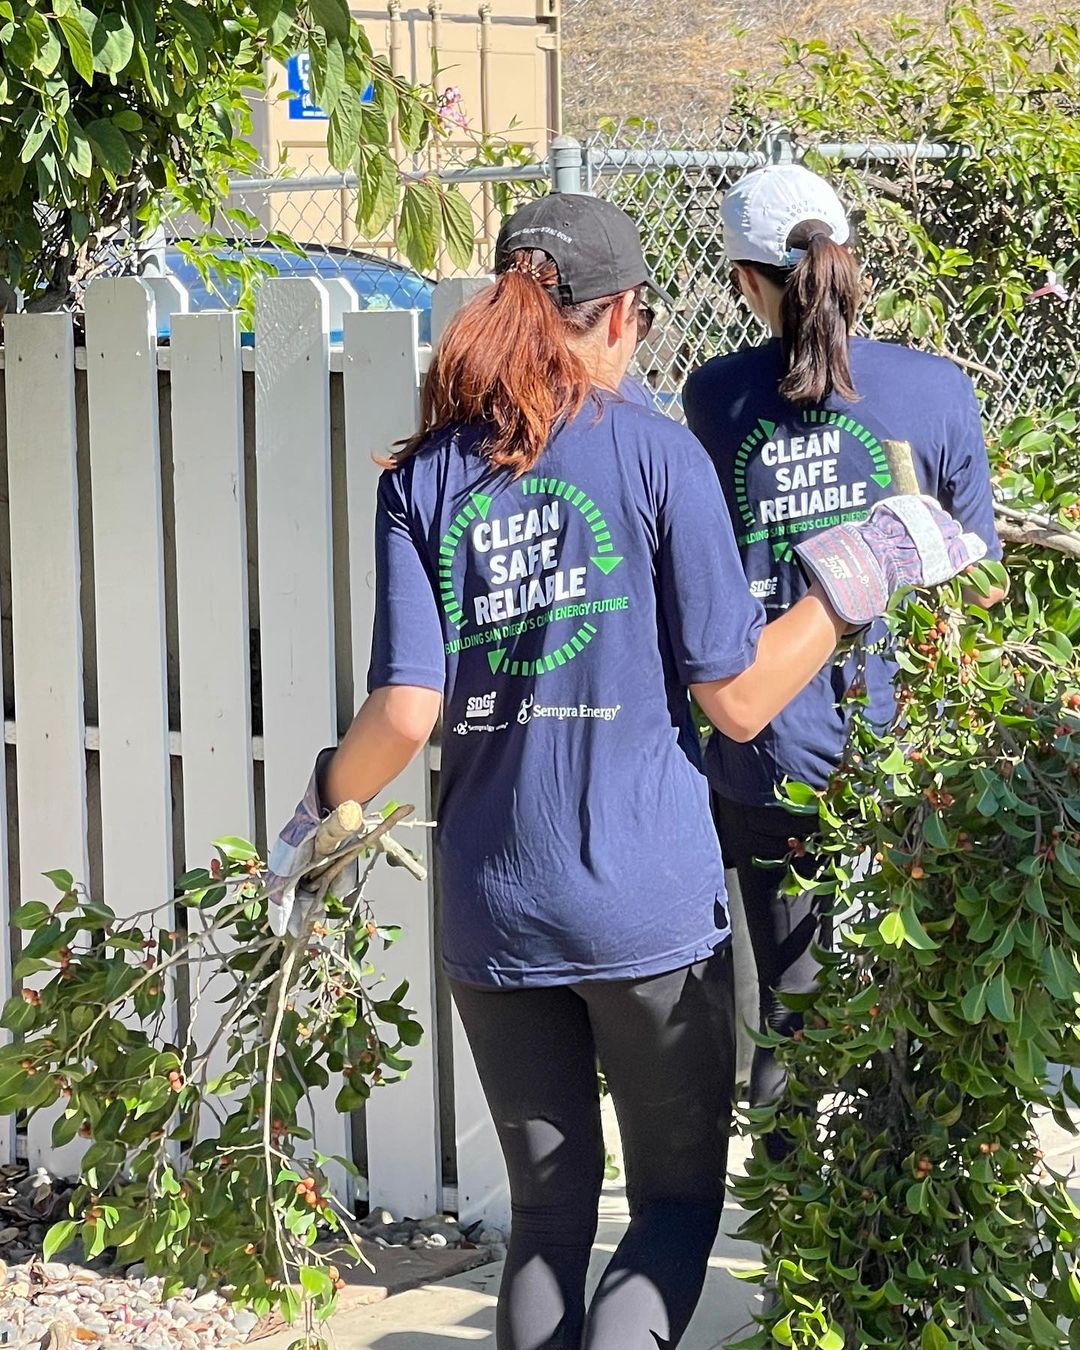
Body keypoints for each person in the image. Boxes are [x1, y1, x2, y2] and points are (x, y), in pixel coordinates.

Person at [265, 193, 984, 1350]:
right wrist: (863, 574)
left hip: (493, 909)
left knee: (547, 1214)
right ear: (621, 321)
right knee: (673, 1208)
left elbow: (403, 711)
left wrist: (319, 808)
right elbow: (742, 698)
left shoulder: (423, 477)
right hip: (645, 908)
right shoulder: (656, 452)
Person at [683, 164, 1005, 1157]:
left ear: (743, 279)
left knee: (794, 1008)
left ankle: (795, 1254)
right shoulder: (933, 390)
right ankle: (910, 1217)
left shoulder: (715, 398)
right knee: (923, 997)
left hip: (768, 741)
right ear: (848, 256)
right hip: (919, 755)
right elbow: (981, 587)